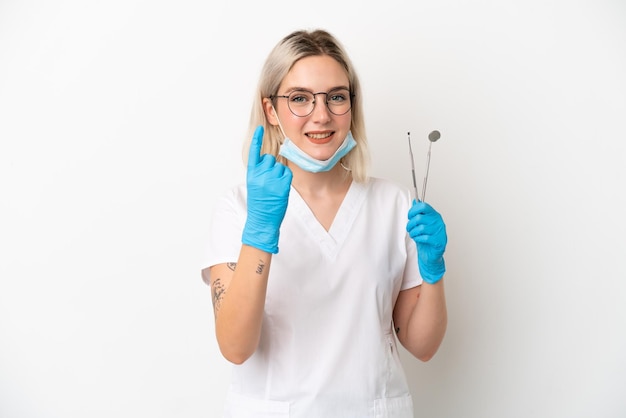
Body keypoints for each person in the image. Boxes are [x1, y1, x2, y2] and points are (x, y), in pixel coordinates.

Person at [202, 29, 448, 418]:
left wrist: (433, 272)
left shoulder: (395, 204)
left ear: (352, 104)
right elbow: (235, 347)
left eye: (336, 97)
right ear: (271, 111)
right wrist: (261, 233)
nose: (322, 115)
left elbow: (423, 346)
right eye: (299, 98)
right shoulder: (239, 209)